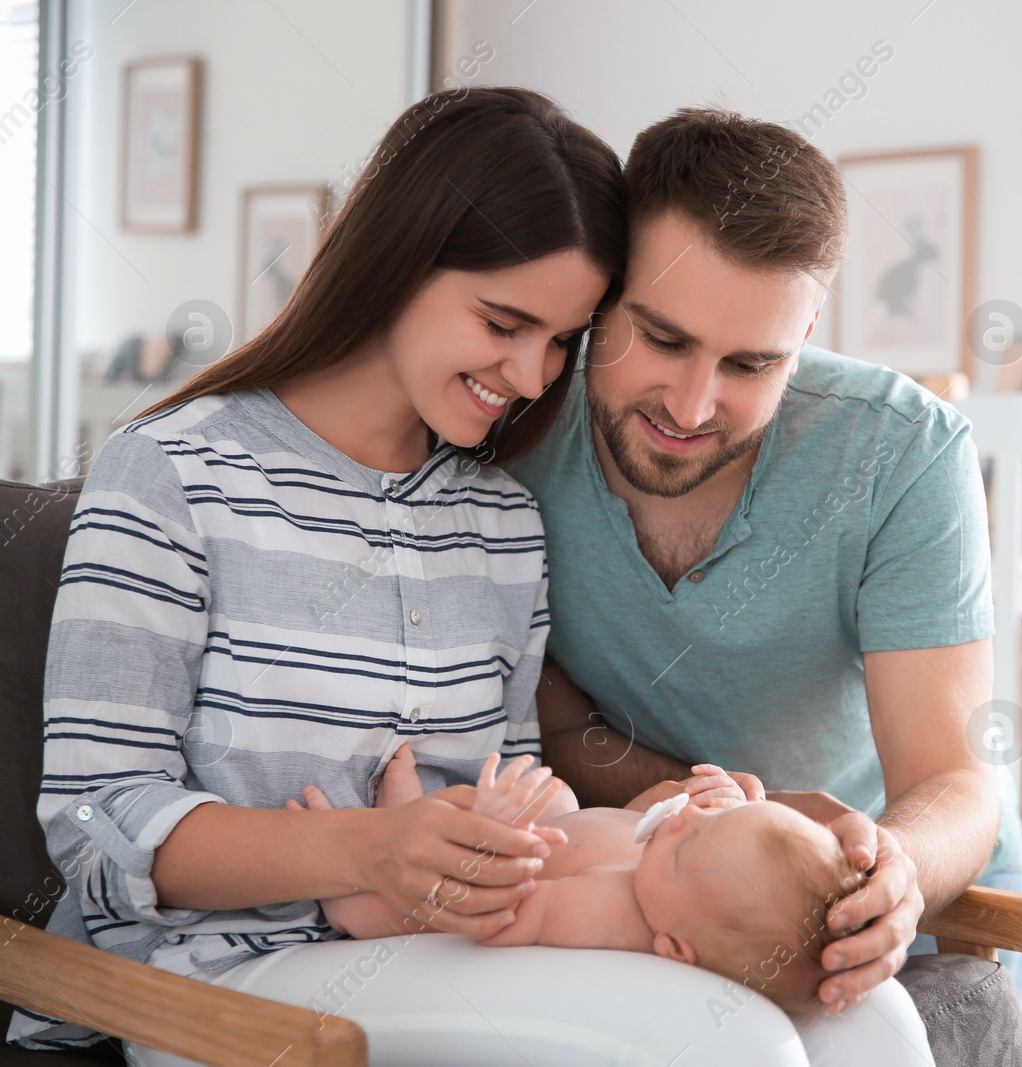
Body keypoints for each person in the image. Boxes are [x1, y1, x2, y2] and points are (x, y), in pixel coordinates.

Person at [7, 87, 930, 1066]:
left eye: (562, 340)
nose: (533, 376)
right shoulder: (172, 472)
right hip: (220, 976)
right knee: (726, 1044)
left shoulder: (498, 520)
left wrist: (686, 822)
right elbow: (94, 816)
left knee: (867, 1016)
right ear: (397, 261)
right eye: (503, 321)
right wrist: (364, 849)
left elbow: (520, 796)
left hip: (463, 943)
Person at [510, 107, 1022, 1015]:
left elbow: (952, 779)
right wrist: (693, 814)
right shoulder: (516, 425)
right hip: (660, 876)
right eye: (663, 338)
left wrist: (894, 875)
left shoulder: (901, 450)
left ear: (810, 328)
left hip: (883, 878)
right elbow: (555, 725)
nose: (691, 402)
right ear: (602, 291)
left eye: (751, 363)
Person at [290, 746, 873, 1017]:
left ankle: (345, 870)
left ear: (672, 949)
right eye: (718, 820)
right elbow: (638, 819)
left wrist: (490, 839)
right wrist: (723, 803)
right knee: (559, 796)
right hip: (571, 828)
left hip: (466, 897)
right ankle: (410, 826)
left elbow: (496, 915)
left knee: (390, 916)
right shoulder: (687, 890)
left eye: (695, 839)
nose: (689, 818)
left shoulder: (605, 913)